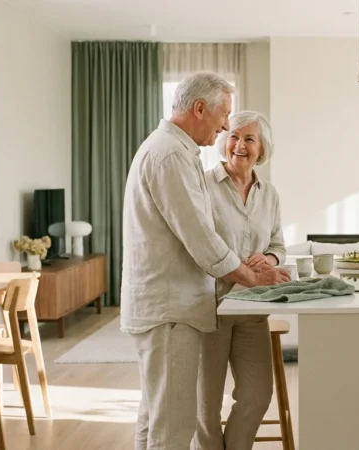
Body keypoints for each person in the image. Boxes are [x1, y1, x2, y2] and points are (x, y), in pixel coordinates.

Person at [121, 72, 290, 450]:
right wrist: (251, 276)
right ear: (200, 108)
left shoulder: (174, 152)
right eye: (224, 116)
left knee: (155, 418)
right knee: (174, 426)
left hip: (176, 308)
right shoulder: (169, 156)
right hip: (172, 310)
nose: (227, 126)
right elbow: (201, 237)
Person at [193, 111, 284, 450]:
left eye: (249, 139)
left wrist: (269, 259)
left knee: (257, 394)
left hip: (251, 306)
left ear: (262, 149)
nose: (239, 145)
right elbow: (199, 243)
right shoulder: (202, 185)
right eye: (233, 136)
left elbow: (278, 245)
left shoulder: (269, 194)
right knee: (205, 407)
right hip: (208, 308)